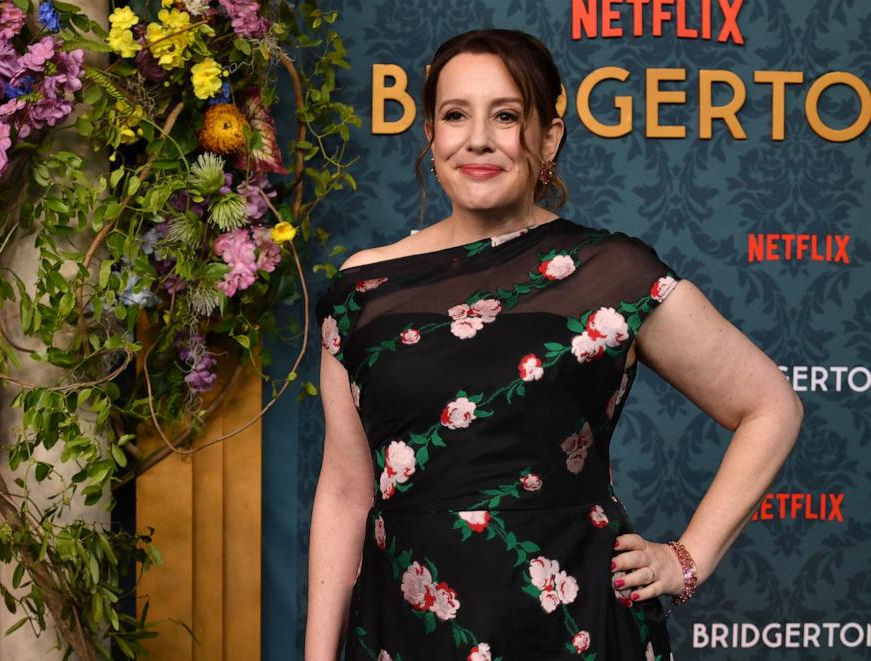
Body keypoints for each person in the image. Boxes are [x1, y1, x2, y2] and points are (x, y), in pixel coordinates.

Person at [306, 29, 802, 660]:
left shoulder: (612, 272)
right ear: (431, 135)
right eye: (455, 115)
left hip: (576, 623)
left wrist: (688, 558)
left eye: (507, 116)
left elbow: (771, 406)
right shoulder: (363, 289)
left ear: (548, 138)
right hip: (406, 625)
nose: (478, 139)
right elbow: (346, 491)